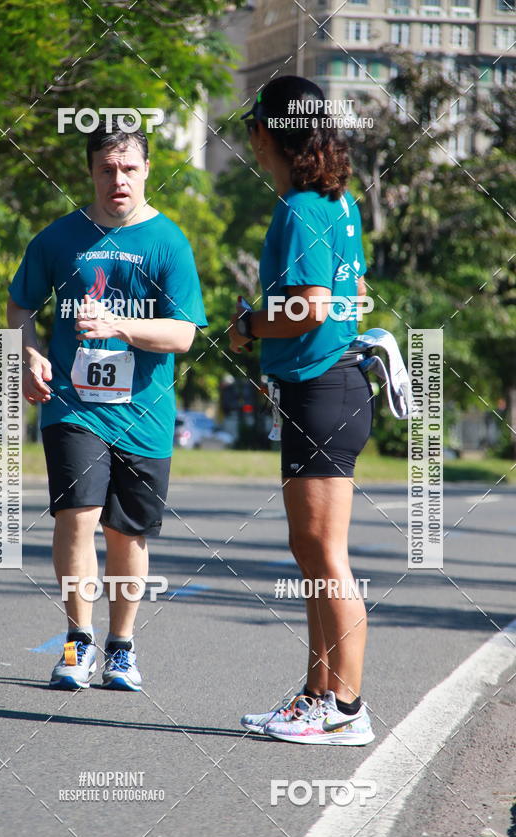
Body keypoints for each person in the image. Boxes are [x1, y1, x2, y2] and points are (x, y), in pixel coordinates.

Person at [7, 125, 206, 691]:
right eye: (106, 169)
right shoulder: (58, 239)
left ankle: (121, 646)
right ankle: (78, 641)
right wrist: (28, 354)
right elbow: (19, 305)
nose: (117, 180)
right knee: (77, 517)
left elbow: (183, 334)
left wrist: (119, 324)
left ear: (146, 170)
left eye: (128, 169)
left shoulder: (169, 243)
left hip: (143, 411)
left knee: (126, 534)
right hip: (73, 406)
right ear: (90, 172)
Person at [230, 76, 375, 745]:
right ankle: (317, 695)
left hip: (322, 391)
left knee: (325, 554)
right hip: (328, 388)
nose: (248, 132)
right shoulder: (336, 201)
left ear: (272, 132)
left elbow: (311, 307)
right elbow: (358, 286)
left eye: (254, 120)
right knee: (311, 549)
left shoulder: (298, 210)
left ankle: (345, 708)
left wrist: (248, 327)